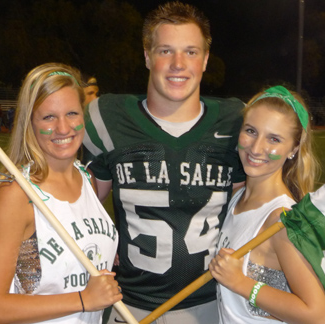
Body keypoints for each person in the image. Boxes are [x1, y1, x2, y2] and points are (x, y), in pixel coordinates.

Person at [82, 2, 245, 323]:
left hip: (211, 303)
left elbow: (251, 208)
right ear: (147, 56)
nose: (178, 64)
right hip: (129, 305)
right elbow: (82, 204)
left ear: (206, 60)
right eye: (165, 51)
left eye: (191, 52)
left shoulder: (234, 122)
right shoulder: (107, 118)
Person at [0, 63, 121, 324]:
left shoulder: (87, 179)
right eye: (48, 117)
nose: (63, 128)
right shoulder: (16, 195)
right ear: (30, 122)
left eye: (72, 113)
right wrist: (83, 299)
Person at [208, 86, 325, 323]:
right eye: (251, 131)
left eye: (273, 139)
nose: (256, 148)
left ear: (293, 149)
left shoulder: (282, 220)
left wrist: (242, 283)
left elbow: (318, 316)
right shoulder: (238, 198)